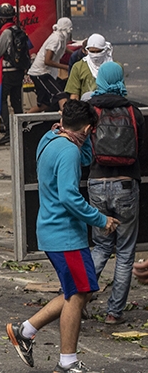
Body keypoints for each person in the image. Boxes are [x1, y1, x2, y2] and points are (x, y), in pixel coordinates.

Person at [6, 99, 119, 373]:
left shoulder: (50, 138)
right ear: (88, 128)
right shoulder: (68, 151)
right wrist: (101, 219)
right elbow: (70, 197)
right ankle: (67, 361)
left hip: (52, 230)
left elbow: (85, 158)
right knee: (79, 294)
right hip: (65, 234)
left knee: (79, 291)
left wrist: (83, 137)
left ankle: (26, 330)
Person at [86, 62, 144, 325]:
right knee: (125, 252)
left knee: (100, 246)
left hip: (97, 183)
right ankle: (114, 313)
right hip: (126, 185)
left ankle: (79, 301)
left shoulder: (91, 109)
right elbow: (141, 148)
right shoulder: (133, 111)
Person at [0, 3, 24, 146]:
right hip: (18, 71)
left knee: (2, 100)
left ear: (3, 19)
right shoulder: (18, 29)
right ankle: (21, 130)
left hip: (7, 71)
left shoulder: (6, 32)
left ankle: (9, 132)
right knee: (16, 102)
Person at [27, 17, 72, 112]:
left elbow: (63, 49)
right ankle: (67, 118)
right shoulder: (55, 39)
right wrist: (66, 67)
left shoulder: (61, 38)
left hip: (46, 73)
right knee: (61, 95)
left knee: (44, 105)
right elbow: (47, 61)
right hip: (41, 73)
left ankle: (25, 119)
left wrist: (76, 53)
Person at [65, 33, 113, 101]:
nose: (95, 55)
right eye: (92, 52)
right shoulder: (78, 67)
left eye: (99, 51)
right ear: (87, 51)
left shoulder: (114, 68)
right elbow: (74, 95)